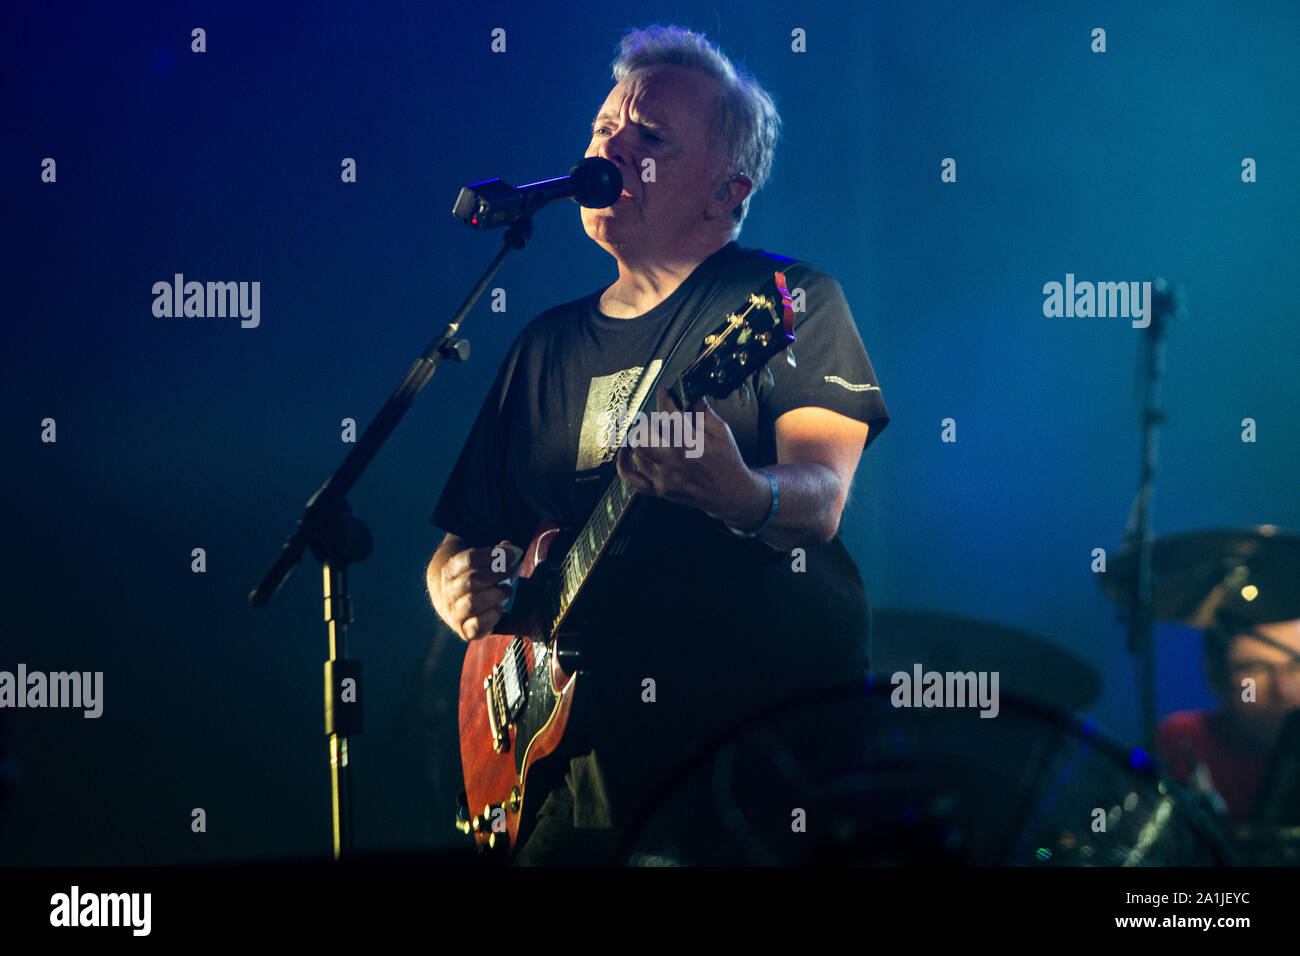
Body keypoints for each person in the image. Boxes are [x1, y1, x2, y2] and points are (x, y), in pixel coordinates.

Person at [426, 25, 889, 864]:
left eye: (650, 139)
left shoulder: (785, 300)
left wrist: (743, 494)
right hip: (568, 775)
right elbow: (464, 541)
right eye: (605, 128)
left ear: (726, 191)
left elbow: (822, 498)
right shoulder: (543, 346)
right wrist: (453, 586)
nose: (611, 148)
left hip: (747, 763)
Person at [1155, 618, 1300, 822]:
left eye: (1297, 666)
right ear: (1215, 676)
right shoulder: (1182, 737)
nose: (1282, 690)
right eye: (1255, 669)